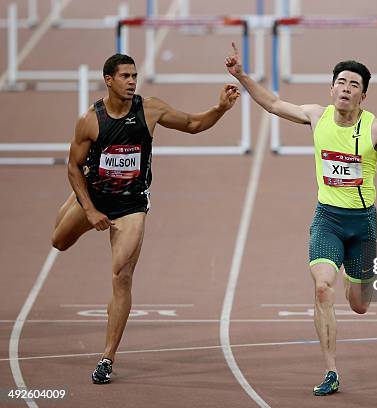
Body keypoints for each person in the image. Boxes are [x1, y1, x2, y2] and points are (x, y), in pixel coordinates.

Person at [225, 42, 377, 396]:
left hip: (363, 223)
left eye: (354, 84)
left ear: (363, 95)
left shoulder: (374, 129)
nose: (346, 88)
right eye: (341, 81)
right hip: (328, 220)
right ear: (331, 88)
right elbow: (274, 104)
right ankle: (331, 371)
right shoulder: (315, 115)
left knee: (360, 304)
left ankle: (365, 275)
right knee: (322, 286)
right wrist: (242, 76)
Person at [51, 53, 240, 384]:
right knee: (59, 241)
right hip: (94, 198)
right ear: (109, 80)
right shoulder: (90, 121)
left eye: (134, 76)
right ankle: (76, 200)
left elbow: (194, 124)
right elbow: (71, 166)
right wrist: (91, 209)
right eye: (125, 76)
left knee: (121, 275)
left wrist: (220, 108)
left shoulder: (149, 109)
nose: (131, 81)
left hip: (131, 204)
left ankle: (107, 357)